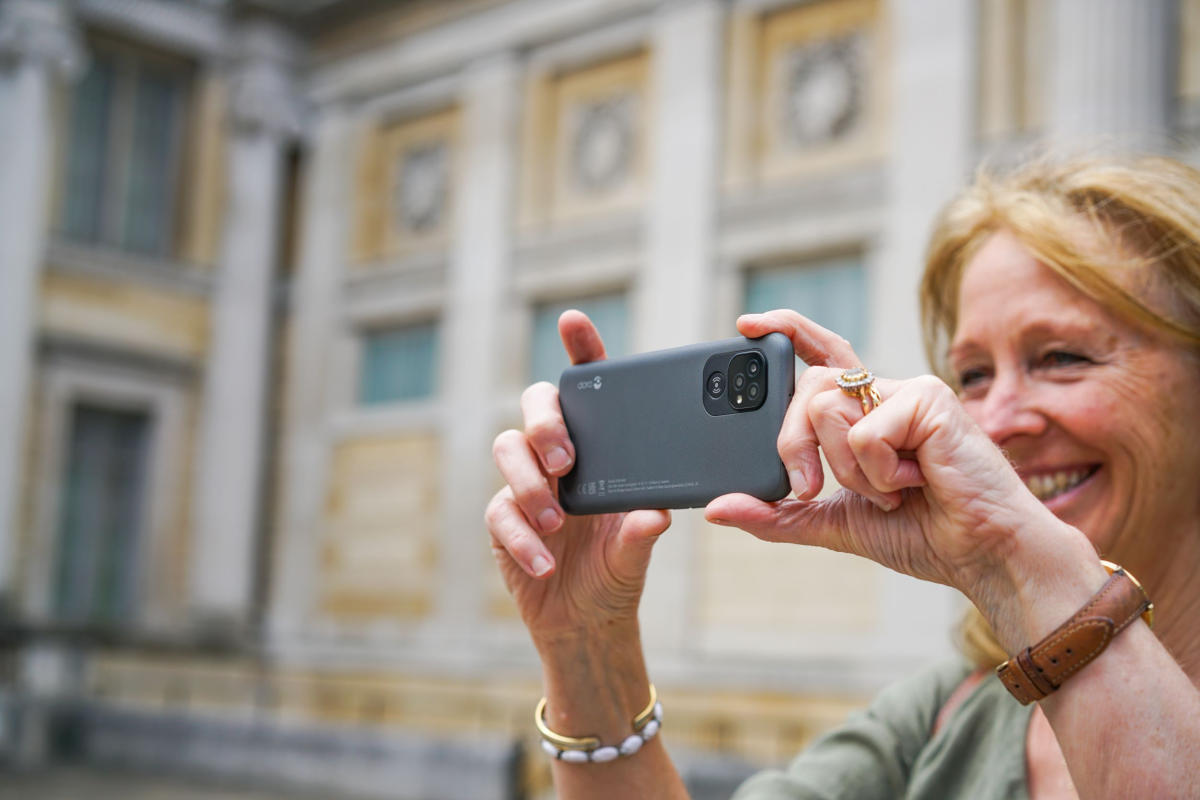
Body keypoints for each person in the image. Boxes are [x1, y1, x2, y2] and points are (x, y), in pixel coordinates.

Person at [485, 154, 1200, 799]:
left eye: (1064, 356)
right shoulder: (946, 717)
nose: (999, 418)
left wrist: (1026, 562)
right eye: (973, 374)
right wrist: (585, 644)